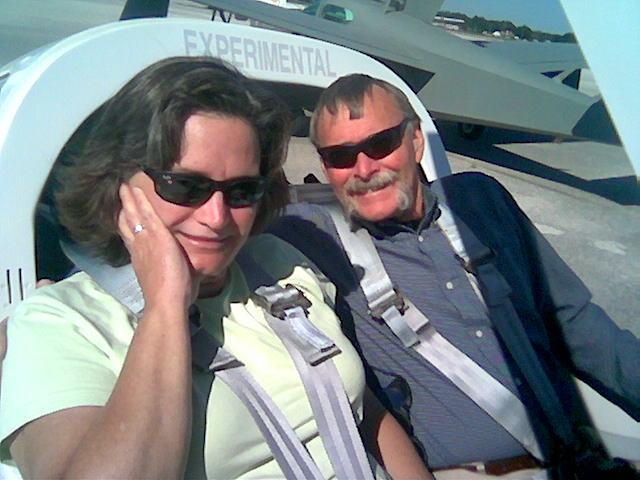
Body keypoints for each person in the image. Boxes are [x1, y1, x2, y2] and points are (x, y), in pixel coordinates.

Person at [0, 59, 431, 480]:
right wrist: (165, 305)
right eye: (186, 186)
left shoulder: (278, 264)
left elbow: (360, 410)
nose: (217, 217)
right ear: (119, 184)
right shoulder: (60, 323)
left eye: (242, 190)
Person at [269, 74, 640, 479]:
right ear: (324, 166)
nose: (364, 168)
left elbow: (575, 324)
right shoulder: (311, 235)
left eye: (380, 144)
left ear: (415, 140)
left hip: (582, 459)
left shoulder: (478, 200)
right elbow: (225, 210)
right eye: (340, 156)